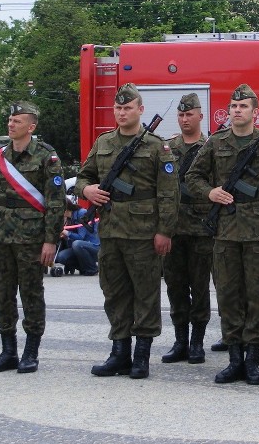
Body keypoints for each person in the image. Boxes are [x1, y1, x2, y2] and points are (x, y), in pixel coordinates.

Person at [186, 83, 259, 386]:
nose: (237, 110)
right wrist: (211, 192)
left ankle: (253, 360)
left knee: (258, 297)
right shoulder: (216, 142)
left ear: (255, 112)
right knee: (229, 295)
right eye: (233, 106)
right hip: (225, 232)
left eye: (243, 106)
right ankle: (234, 359)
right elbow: (192, 177)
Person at [77, 84, 179, 380]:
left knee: (145, 293)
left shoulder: (157, 146)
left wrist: (165, 231)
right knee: (114, 292)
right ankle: (119, 351)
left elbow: (169, 195)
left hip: (144, 232)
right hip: (110, 230)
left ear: (140, 110)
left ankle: (141, 355)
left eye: (128, 108)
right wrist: (88, 189)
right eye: (118, 108)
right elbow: (84, 175)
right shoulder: (104, 142)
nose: (122, 113)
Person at [0, 101, 65, 374]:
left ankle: (31, 352)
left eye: (17, 121)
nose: (11, 124)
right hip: (1, 238)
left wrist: (50, 240)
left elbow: (55, 202)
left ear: (31, 126)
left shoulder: (46, 157)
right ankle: (8, 351)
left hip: (31, 238)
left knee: (31, 294)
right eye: (9, 119)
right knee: (2, 294)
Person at [161, 93, 213, 364]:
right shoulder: (168, 147)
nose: (184, 119)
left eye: (189, 114)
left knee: (200, 286)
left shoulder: (211, 147)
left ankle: (197, 342)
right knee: (175, 286)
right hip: (174, 228)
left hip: (202, 229)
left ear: (200, 116)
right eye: (181, 115)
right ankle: (180, 340)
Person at [56, 207, 99, 275]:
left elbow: (81, 237)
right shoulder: (68, 218)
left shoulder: (82, 213)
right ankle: (83, 268)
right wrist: (65, 236)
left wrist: (66, 232)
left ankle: (92, 268)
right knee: (61, 257)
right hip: (78, 248)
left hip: (93, 245)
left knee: (77, 244)